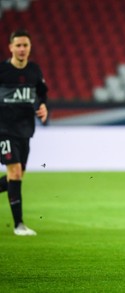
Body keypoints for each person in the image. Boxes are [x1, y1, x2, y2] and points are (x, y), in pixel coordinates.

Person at [0, 29, 48, 236]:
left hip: (25, 129)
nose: (21, 49)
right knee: (15, 173)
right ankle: (19, 225)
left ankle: (19, 224)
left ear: (29, 48)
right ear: (10, 47)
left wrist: (44, 106)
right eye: (17, 45)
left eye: (25, 45)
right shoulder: (2, 71)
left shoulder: (34, 71)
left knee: (17, 177)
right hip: (4, 129)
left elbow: (41, 93)